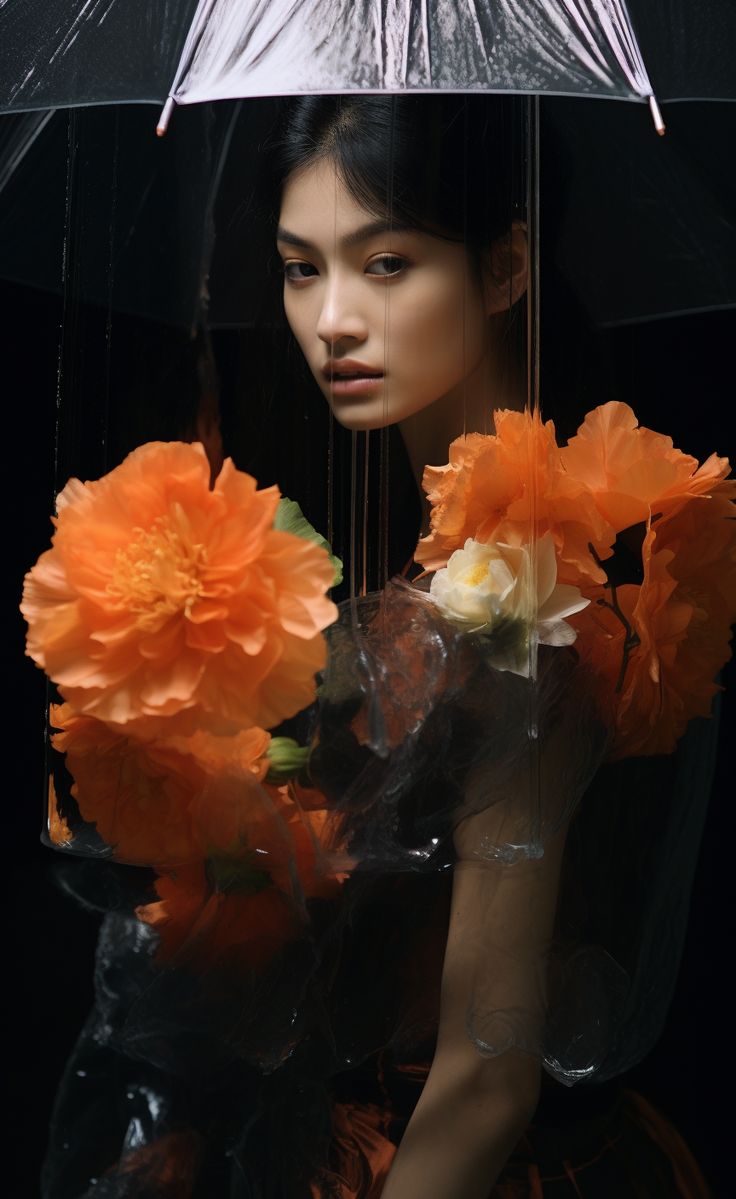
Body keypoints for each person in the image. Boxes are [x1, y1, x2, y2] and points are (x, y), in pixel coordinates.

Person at [267, 94, 717, 1198]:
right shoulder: (464, 562)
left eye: (383, 264)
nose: (330, 320)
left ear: (505, 266)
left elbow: (484, 1076)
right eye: (297, 267)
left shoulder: (525, 595)